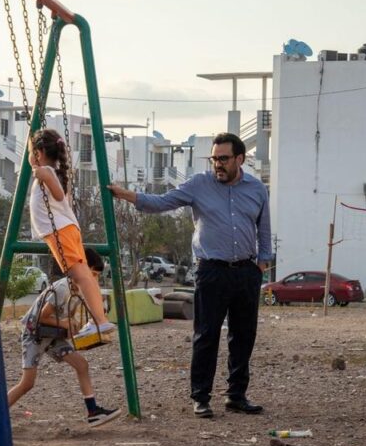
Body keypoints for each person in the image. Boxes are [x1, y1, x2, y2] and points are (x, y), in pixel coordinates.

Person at [109, 132, 271, 419]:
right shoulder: (199, 184)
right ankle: (201, 397)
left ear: (240, 159)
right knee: (206, 335)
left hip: (246, 272)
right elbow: (162, 202)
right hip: (212, 271)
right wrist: (126, 195)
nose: (217, 164)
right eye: (214, 159)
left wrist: (262, 264)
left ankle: (236, 395)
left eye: (223, 159)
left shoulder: (257, 189)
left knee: (243, 335)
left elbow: (264, 229)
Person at [0, 248, 121, 436]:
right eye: (93, 274)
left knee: (82, 365)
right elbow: (41, 317)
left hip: (54, 336)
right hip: (35, 335)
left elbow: (67, 318)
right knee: (27, 383)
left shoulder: (78, 292)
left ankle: (93, 411)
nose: (94, 280)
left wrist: (75, 329)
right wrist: (65, 323)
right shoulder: (63, 288)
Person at [27, 128, 114, 337]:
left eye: (31, 152)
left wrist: (40, 172)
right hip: (65, 229)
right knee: (83, 277)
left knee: (81, 277)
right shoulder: (54, 172)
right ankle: (99, 320)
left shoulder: (46, 172)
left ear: (39, 152)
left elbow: (57, 196)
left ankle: (100, 321)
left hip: (59, 231)